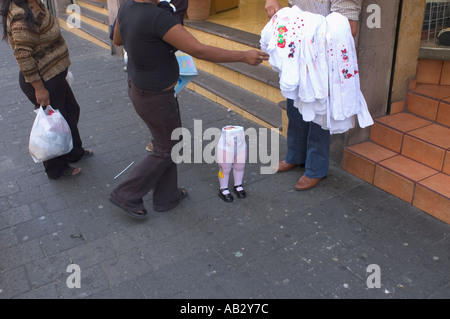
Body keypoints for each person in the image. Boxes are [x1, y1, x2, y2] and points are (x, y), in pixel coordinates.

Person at [109, 0, 268, 219]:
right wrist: (243, 56)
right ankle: (126, 193)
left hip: (139, 89)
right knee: (166, 150)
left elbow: (117, 39)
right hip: (155, 97)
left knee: (168, 142)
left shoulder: (127, 6)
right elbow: (199, 50)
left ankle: (167, 197)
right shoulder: (157, 17)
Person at [264, 0, 362, 191]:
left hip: (323, 52)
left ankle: (316, 168)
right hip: (297, 45)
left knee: (319, 114)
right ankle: (295, 155)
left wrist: (310, 34)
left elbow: (349, 26)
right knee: (294, 108)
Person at [1, 0, 93, 179]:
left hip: (54, 76)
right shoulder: (21, 15)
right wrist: (39, 88)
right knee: (55, 127)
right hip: (43, 80)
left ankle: (74, 152)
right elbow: (23, 55)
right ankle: (56, 168)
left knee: (71, 111)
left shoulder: (34, 3)